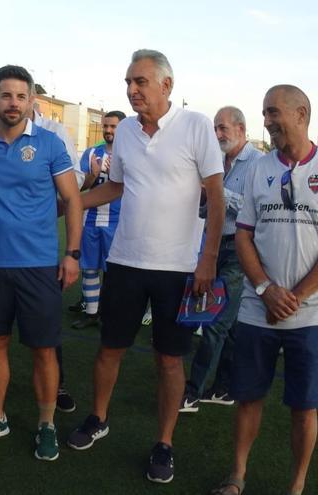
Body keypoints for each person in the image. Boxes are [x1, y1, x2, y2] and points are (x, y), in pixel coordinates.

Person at [67, 49, 224, 484]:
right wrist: (73, 203)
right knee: (109, 348)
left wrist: (206, 258)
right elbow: (116, 186)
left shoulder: (194, 126)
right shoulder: (128, 136)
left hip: (178, 268)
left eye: (140, 82)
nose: (131, 90)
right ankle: (98, 418)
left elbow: (216, 194)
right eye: (128, 83)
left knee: (169, 361)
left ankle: (165, 442)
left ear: (166, 85)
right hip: (126, 260)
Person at [0, 65, 83, 462]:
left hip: (39, 266)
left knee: (43, 349)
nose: (13, 103)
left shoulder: (48, 145)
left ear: (31, 101)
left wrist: (73, 253)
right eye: (5, 95)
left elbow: (73, 199)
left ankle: (46, 423)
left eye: (20, 96)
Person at [210, 85, 317, 495]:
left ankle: (296, 484)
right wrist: (266, 288)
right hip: (259, 308)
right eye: (264, 114)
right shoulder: (259, 168)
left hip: (310, 314)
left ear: (301, 113)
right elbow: (243, 237)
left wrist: (297, 296)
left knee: (305, 406)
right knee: (248, 397)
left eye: (274, 113)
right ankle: (237, 475)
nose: (267, 122)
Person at [180, 106, 262, 413]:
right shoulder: (216, 161)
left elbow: (254, 209)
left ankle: (192, 391)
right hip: (213, 245)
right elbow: (206, 212)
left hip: (242, 248)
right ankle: (225, 386)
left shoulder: (257, 163)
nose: (217, 134)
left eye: (223, 128)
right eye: (215, 128)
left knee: (215, 320)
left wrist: (217, 191)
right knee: (229, 323)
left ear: (241, 129)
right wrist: (204, 199)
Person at [70, 110, 126, 329]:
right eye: (106, 126)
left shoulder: (130, 153)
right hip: (90, 219)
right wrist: (93, 174)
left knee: (114, 272)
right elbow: (81, 187)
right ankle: (91, 313)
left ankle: (111, 314)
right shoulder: (93, 152)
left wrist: (117, 176)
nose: (108, 130)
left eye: (113, 126)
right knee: (90, 268)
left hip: (117, 221)